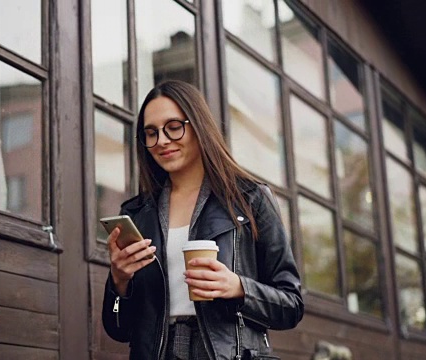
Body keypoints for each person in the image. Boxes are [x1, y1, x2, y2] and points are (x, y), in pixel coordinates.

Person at [102, 80, 303, 360]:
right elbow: (117, 326)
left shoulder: (250, 199)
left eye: (173, 127)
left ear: (198, 126)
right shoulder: (137, 214)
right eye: (151, 133)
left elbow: (291, 305)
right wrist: (118, 282)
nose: (161, 141)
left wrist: (238, 287)